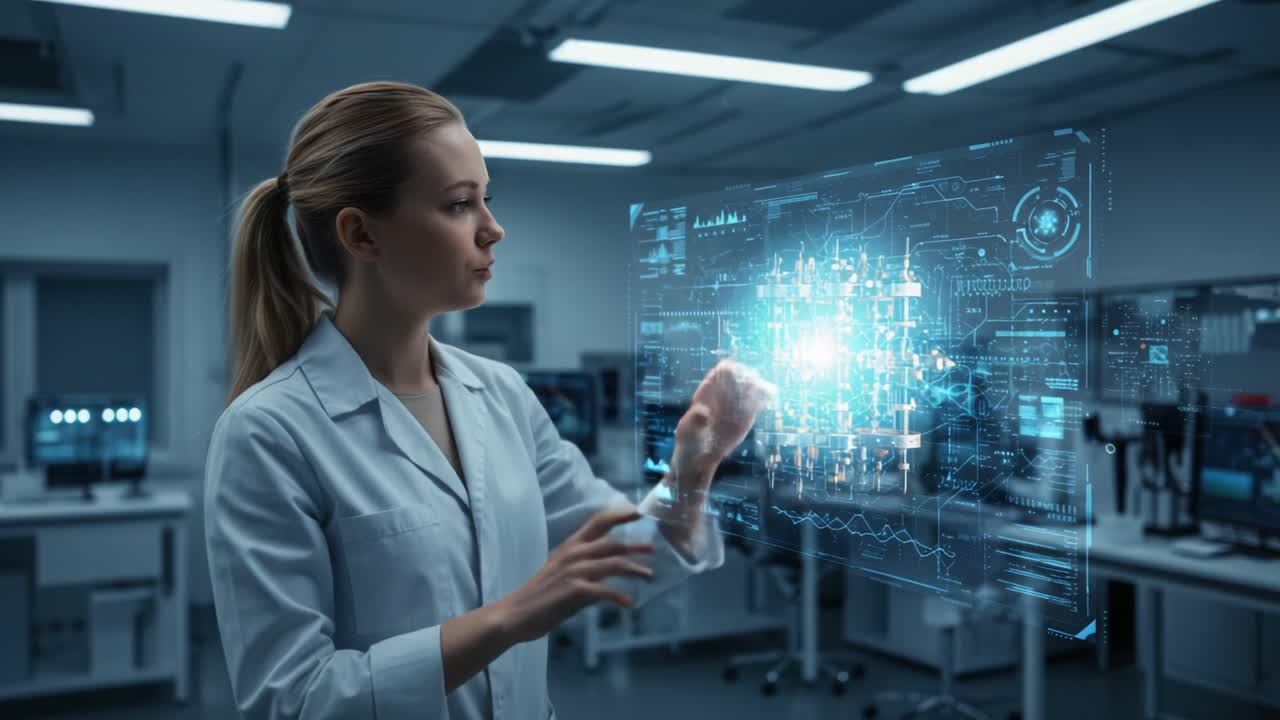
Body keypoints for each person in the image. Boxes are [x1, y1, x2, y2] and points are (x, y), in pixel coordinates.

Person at [205, 81, 776, 720]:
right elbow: (293, 700)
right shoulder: (269, 432)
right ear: (361, 235)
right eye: (458, 205)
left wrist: (692, 468)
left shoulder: (500, 394)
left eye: (487, 199)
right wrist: (512, 616)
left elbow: (618, 559)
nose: (493, 229)